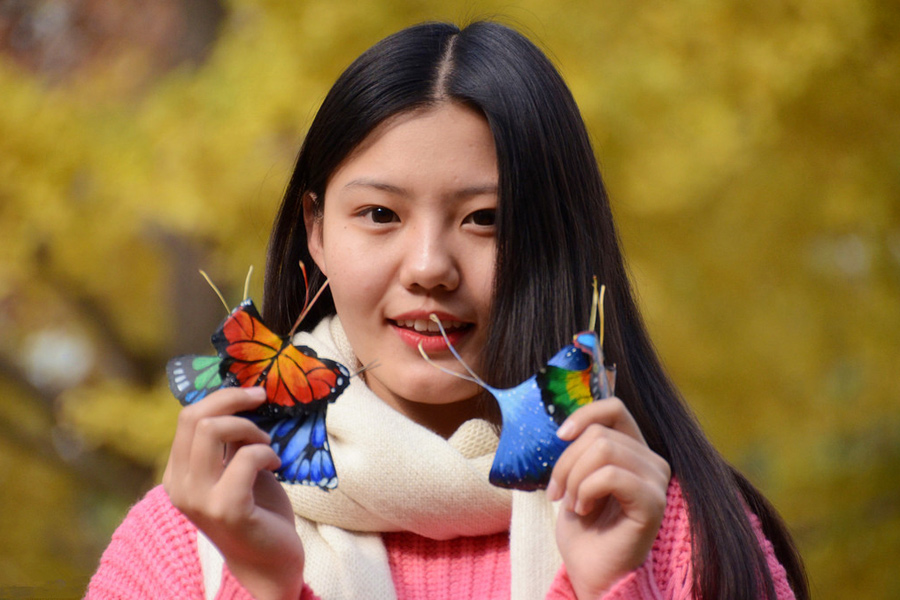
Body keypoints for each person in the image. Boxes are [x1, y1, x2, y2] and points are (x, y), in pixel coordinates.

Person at [87, 20, 809, 600]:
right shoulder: (190, 542)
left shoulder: (677, 529)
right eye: (379, 213)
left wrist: (612, 588)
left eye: (485, 219)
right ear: (316, 230)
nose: (430, 265)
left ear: (554, 237)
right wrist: (265, 585)